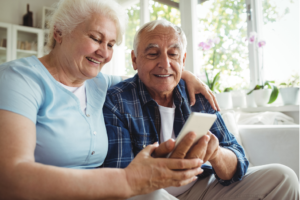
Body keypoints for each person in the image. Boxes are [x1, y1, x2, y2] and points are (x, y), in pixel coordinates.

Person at [0, 0, 220, 199]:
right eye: (96, 39)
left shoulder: (99, 83)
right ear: (59, 32)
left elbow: (148, 76)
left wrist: (184, 74)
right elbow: (10, 177)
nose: (103, 53)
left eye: (111, 44)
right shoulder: (19, 79)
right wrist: (128, 180)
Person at [103, 19, 300, 200]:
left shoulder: (196, 94)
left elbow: (239, 160)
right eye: (153, 54)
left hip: (202, 185)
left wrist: (216, 154)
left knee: (284, 177)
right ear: (135, 60)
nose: (165, 64)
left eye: (173, 54)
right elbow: (120, 175)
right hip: (152, 192)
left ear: (183, 60)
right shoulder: (118, 100)